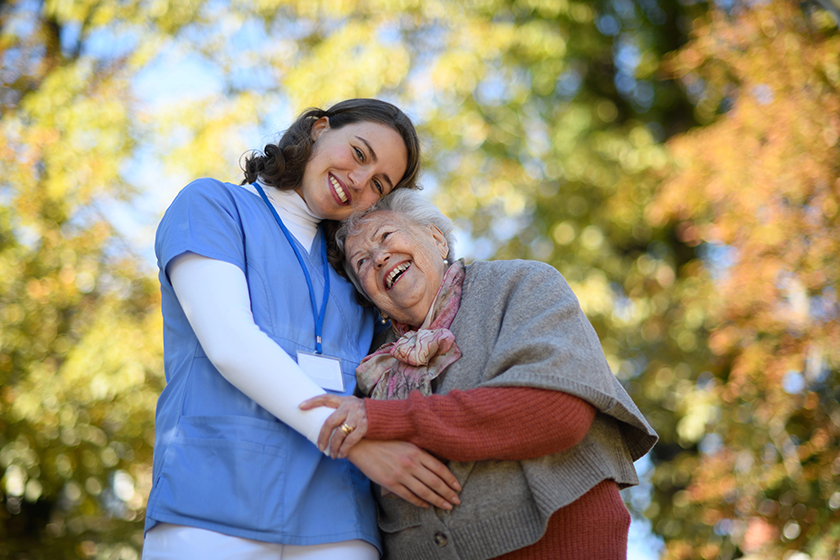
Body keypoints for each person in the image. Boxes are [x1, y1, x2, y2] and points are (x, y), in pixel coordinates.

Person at [142, 99, 462, 560]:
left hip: (339, 520)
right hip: (211, 504)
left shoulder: (358, 270)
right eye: (358, 152)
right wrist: (359, 446)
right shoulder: (212, 206)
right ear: (318, 129)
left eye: (378, 184)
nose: (357, 181)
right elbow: (231, 343)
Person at [301, 189, 659, 560]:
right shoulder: (368, 361)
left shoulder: (519, 284)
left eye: (386, 237)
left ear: (437, 238)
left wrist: (385, 419)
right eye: (361, 263)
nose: (378, 259)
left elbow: (557, 411)